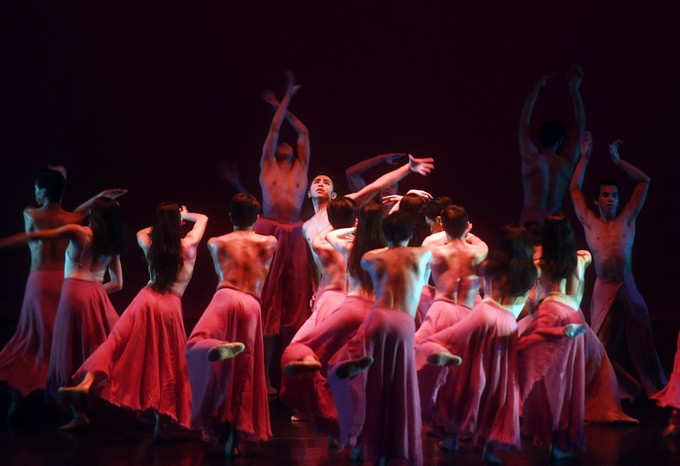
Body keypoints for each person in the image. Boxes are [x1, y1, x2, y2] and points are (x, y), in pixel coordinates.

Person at [58, 203, 207, 436]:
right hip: (170, 306)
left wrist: (164, 224)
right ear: (179, 224)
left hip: (145, 300)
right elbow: (204, 219)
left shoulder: (148, 242)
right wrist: (184, 215)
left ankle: (85, 383)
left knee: (115, 342)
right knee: (168, 362)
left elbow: (143, 232)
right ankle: (160, 420)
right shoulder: (188, 245)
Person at [0, 167, 124, 411]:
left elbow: (39, 233)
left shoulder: (30, 214)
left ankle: (28, 391)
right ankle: (68, 395)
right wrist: (98, 197)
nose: (34, 191)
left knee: (34, 340)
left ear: (44, 191)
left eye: (37, 187)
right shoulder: (75, 221)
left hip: (40, 282)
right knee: (62, 341)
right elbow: (75, 215)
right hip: (67, 284)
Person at [416, 225, 537, 463]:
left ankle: (450, 434)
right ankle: (488, 447)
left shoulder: (492, 264)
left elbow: (477, 275)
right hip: (507, 324)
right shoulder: (530, 272)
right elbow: (527, 305)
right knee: (496, 386)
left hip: (483, 315)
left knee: (461, 374)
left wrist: (467, 235)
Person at [327, 211, 432, 464]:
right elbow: (441, 240)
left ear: (385, 234)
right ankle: (389, 446)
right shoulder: (422, 254)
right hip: (403, 322)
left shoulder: (370, 257)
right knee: (398, 386)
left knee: (371, 384)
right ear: (410, 234)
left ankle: (360, 439)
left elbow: (333, 238)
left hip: (377, 317)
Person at [570, 136, 667, 397]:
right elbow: (574, 189)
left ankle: (657, 390)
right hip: (604, 285)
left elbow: (644, 181)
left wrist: (617, 160)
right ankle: (614, 390)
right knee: (599, 343)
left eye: (614, 195)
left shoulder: (627, 217)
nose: (610, 199)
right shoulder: (590, 221)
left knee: (643, 342)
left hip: (628, 282)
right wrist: (584, 158)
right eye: (605, 195)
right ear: (597, 200)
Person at [279, 202, 385, 440]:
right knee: (354, 359)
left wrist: (345, 227)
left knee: (303, 347)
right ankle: (357, 412)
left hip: (337, 302)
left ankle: (309, 404)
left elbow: (322, 237)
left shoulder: (335, 243)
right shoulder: (374, 247)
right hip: (370, 307)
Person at [184, 194, 277, 457]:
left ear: (230, 216)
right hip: (251, 304)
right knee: (244, 372)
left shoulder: (216, 242)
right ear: (257, 218)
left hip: (224, 297)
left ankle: (213, 348)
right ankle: (233, 438)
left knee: (195, 343)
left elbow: (218, 271)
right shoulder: (270, 242)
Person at [256, 72, 313, 393]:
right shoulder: (267, 164)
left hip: (294, 233)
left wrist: (284, 101)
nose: (288, 144)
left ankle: (291, 377)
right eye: (283, 144)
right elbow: (275, 129)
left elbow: (302, 131)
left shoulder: (302, 170)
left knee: (294, 304)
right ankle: (263, 377)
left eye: (291, 146)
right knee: (267, 304)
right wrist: (284, 100)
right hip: (268, 229)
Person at [517, 214, 588, 459]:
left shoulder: (540, 265)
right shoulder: (582, 259)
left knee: (549, 379)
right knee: (569, 380)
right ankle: (560, 439)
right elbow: (583, 253)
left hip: (550, 312)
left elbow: (532, 300)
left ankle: (549, 437)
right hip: (574, 317)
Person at [518, 65, 585, 223]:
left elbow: (523, 122)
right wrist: (574, 89)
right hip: (556, 219)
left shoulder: (531, 158)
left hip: (531, 217)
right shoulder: (566, 161)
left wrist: (537, 88)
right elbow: (580, 123)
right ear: (561, 139)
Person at [415, 205, 488, 345]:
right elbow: (478, 241)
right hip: (467, 312)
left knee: (420, 351)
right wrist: (467, 234)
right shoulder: (480, 250)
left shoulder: (435, 251)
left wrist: (450, 233)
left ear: (442, 225)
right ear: (467, 225)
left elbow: (432, 243)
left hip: (441, 310)